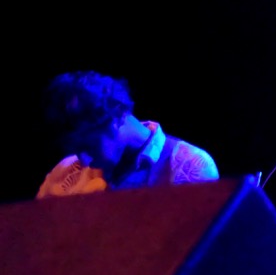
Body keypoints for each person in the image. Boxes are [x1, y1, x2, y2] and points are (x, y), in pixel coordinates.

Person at [37, 71, 218, 197]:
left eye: (88, 146)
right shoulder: (62, 175)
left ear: (117, 115)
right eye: (76, 151)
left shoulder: (189, 165)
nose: (84, 162)